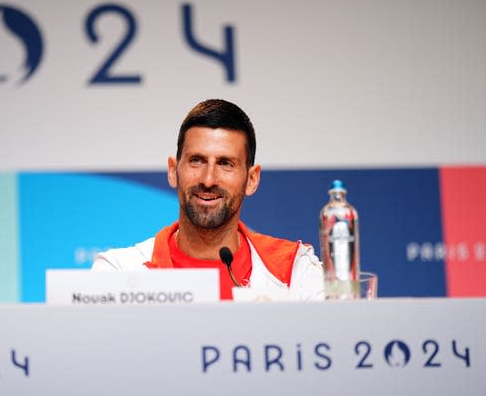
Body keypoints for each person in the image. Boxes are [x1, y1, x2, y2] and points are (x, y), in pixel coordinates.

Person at [92, 99, 324, 300]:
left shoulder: (295, 270)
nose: (209, 179)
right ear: (173, 171)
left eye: (225, 163)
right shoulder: (119, 272)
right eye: (197, 160)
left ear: (252, 179)